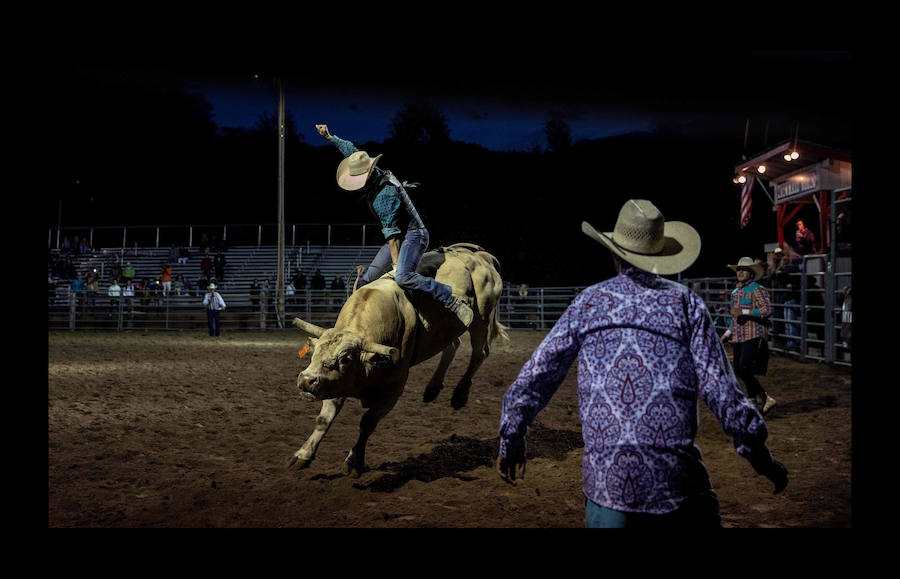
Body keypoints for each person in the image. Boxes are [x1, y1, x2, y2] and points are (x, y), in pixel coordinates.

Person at [494, 199, 787, 528]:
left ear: (614, 252)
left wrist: (512, 437)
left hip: (609, 486)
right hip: (676, 485)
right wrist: (761, 458)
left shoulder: (589, 302)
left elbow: (537, 375)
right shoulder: (686, 304)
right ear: (662, 256)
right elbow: (723, 392)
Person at [316, 123, 473, 327]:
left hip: (415, 235)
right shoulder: (374, 172)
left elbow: (392, 238)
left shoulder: (384, 196)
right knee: (365, 280)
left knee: (403, 277)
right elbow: (351, 151)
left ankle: (450, 300)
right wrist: (330, 137)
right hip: (400, 234)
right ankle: (356, 325)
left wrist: (396, 265)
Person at [722, 257, 776, 414]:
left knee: (744, 368)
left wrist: (744, 311)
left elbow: (767, 310)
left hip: (753, 334)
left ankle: (759, 399)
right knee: (739, 370)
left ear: (751, 273)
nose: (739, 272)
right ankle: (756, 400)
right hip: (738, 335)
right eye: (738, 269)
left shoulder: (757, 289)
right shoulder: (735, 292)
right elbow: (735, 318)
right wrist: (726, 334)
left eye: (743, 269)